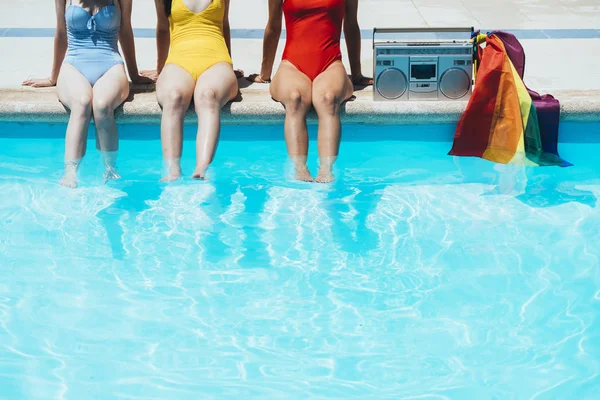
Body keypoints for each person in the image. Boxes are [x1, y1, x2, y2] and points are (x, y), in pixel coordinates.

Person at [22, 0, 152, 188]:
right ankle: (70, 173)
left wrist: (134, 75)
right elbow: (61, 32)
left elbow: (125, 31)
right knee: (82, 103)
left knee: (102, 106)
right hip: (74, 62)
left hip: (110, 62)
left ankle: (110, 170)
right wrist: (53, 77)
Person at [248, 0, 372, 183]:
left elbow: (351, 27)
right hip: (293, 64)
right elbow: (273, 28)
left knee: (329, 100)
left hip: (330, 63)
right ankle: (300, 168)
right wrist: (265, 74)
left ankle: (326, 169)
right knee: (294, 99)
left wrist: (357, 74)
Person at [141, 0, 238, 181]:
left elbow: (224, 25)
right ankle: (173, 169)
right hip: (179, 60)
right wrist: (161, 69)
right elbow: (163, 29)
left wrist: (229, 66)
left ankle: (202, 167)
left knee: (208, 95)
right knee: (174, 97)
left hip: (216, 59)